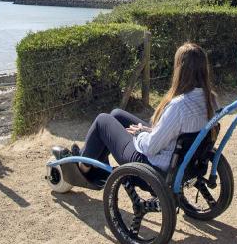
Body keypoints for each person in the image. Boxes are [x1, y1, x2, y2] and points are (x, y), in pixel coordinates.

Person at [60, 43, 217, 182]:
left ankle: (83, 167)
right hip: (183, 160)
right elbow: (177, 133)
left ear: (180, 70)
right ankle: (91, 157)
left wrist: (140, 134)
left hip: (154, 166)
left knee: (103, 120)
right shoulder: (210, 99)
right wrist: (148, 131)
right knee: (116, 114)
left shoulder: (179, 106)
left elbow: (150, 148)